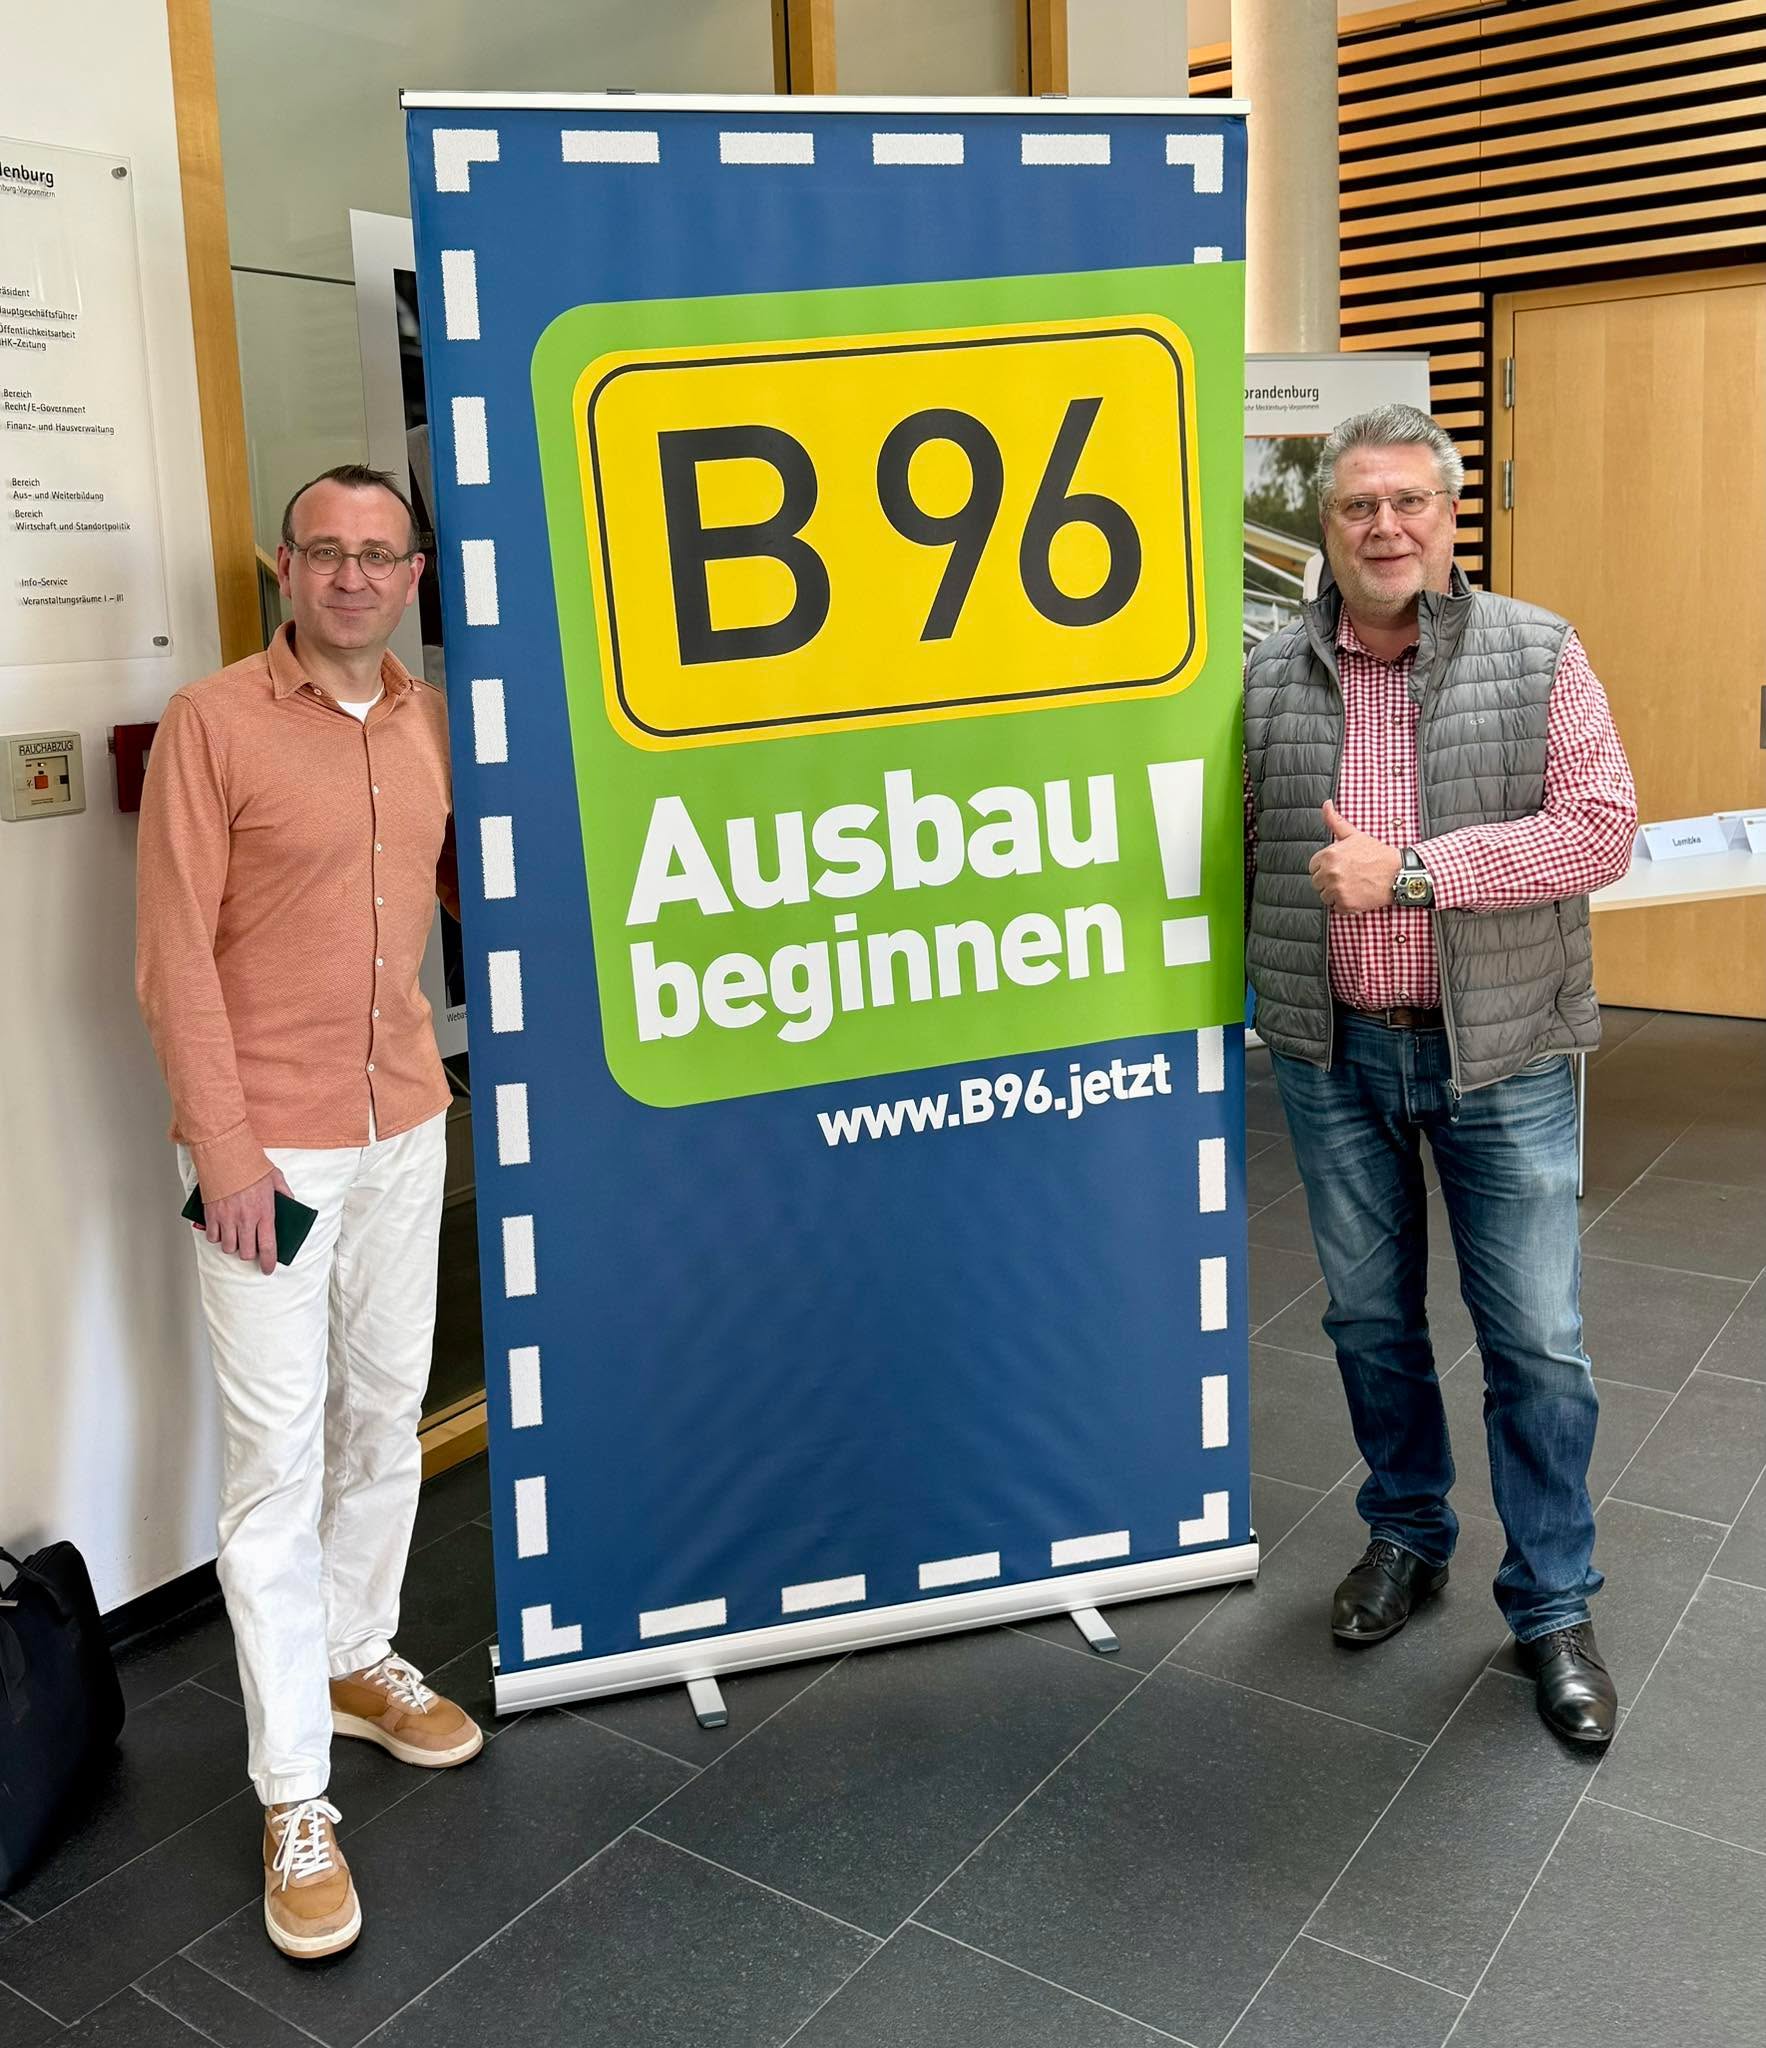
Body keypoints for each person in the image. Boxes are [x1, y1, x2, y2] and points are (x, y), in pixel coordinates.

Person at [1243, 405, 1637, 1745]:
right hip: (1333, 1050)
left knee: (1536, 1341)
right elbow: (1236, 842)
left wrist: (1414, 871)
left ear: (1449, 513)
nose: (1384, 526)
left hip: (1499, 1053)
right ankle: (1407, 1533)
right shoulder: (1266, 674)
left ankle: (1552, 1603)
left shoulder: (1538, 651)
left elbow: (1600, 831)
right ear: (1326, 524)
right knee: (1366, 1322)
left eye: (1409, 500)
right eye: (1358, 504)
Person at [136, 464, 479, 1959]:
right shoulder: (213, 724)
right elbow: (172, 959)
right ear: (286, 568)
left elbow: (458, 890)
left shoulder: (431, 722)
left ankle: (355, 1652)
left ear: (412, 577)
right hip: (269, 1152)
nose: (351, 576)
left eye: (377, 555)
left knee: (386, 1410)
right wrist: (225, 1153)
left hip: (403, 1121)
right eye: (325, 552)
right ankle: (293, 1796)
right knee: (274, 1468)